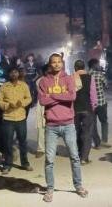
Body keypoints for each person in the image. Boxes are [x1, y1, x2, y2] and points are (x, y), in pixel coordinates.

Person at [38, 53, 87, 202]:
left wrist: (52, 96)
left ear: (62, 63)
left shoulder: (69, 79)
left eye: (59, 62)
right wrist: (61, 96)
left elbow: (72, 97)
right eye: (53, 62)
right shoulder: (44, 81)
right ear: (50, 64)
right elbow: (42, 101)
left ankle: (78, 185)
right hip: (51, 125)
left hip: (68, 124)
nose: (56, 64)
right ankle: (50, 189)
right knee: (49, 160)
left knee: (75, 157)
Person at [0, 65, 32, 175]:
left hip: (21, 117)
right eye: (11, 72)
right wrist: (7, 105)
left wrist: (23, 103)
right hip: (8, 118)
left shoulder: (24, 85)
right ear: (9, 74)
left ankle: (25, 163)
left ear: (18, 73)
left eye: (15, 72)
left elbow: (29, 98)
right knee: (8, 142)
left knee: (22, 142)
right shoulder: (4, 87)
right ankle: (7, 164)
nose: (14, 74)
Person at [73, 59, 97, 164]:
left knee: (77, 132)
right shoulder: (90, 78)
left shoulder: (71, 78)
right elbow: (93, 94)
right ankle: (84, 158)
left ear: (75, 68)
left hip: (75, 109)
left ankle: (78, 153)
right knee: (87, 133)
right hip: (87, 108)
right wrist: (93, 107)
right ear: (84, 67)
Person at [89, 58, 110, 149]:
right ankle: (104, 141)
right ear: (94, 65)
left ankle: (96, 142)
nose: (99, 66)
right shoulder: (99, 75)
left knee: (93, 124)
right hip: (101, 102)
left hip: (91, 104)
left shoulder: (87, 75)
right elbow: (107, 85)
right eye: (97, 64)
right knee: (104, 122)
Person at [34, 63, 49, 158]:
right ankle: (40, 149)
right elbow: (43, 94)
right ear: (44, 72)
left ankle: (50, 148)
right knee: (41, 128)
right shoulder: (39, 81)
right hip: (42, 105)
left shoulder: (56, 80)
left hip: (53, 105)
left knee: (52, 128)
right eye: (48, 70)